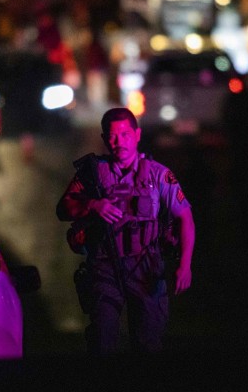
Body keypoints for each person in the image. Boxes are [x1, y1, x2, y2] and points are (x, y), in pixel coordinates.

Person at [56, 107, 195, 355]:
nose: (118, 142)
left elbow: (185, 217)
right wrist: (91, 204)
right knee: (102, 341)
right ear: (103, 138)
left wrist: (185, 264)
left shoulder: (158, 175)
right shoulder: (92, 174)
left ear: (137, 135)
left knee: (147, 343)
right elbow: (64, 207)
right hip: (105, 268)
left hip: (146, 268)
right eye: (111, 136)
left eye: (124, 135)